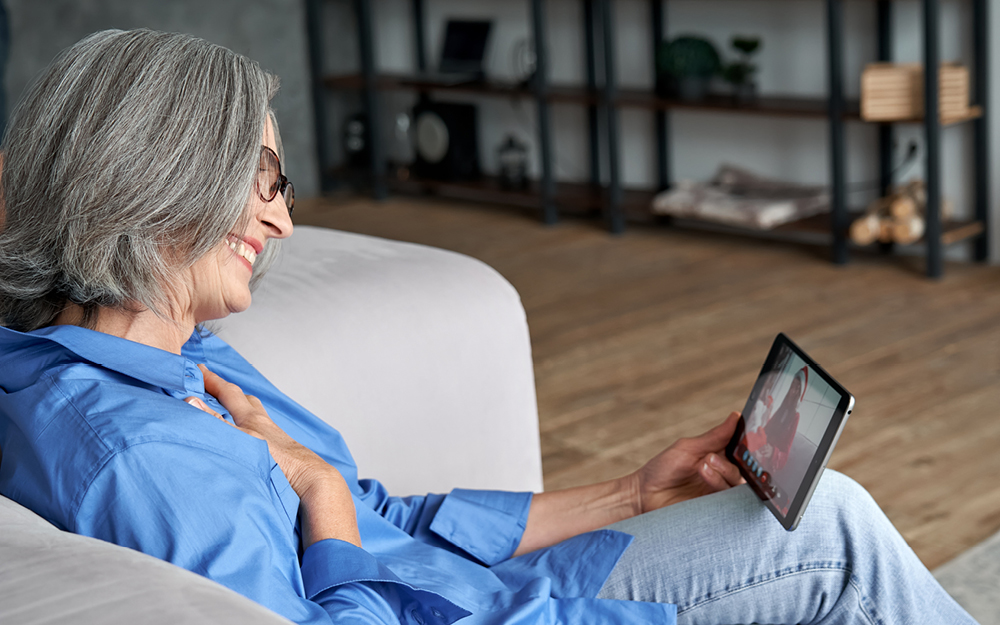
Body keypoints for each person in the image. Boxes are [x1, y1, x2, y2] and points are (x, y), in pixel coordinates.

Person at [0, 29, 978, 625]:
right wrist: (321, 497)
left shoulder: (177, 359)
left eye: (282, 189)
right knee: (836, 535)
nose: (283, 222)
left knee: (816, 513)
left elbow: (391, 517)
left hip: (463, 582)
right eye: (257, 189)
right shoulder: (135, 454)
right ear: (153, 180)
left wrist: (636, 489)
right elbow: (349, 531)